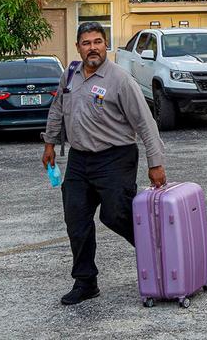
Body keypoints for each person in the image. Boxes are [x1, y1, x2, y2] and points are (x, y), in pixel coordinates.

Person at [42, 21, 167, 306]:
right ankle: (86, 282)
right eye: (86, 43)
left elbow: (145, 124)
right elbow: (57, 110)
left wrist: (155, 162)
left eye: (98, 41)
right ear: (77, 47)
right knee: (76, 219)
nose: (92, 48)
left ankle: (159, 254)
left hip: (115, 158)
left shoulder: (120, 79)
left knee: (116, 214)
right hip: (79, 160)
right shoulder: (70, 75)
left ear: (106, 45)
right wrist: (49, 143)